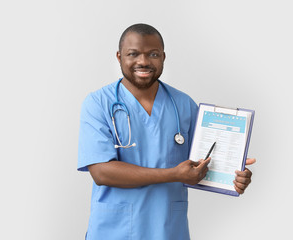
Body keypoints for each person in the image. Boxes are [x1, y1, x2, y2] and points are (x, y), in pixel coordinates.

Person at [77, 23, 255, 240]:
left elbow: (198, 168)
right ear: (119, 56)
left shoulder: (183, 105)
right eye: (133, 54)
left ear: (163, 57)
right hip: (114, 230)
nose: (143, 61)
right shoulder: (98, 103)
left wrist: (232, 173)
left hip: (168, 230)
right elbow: (101, 172)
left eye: (153, 54)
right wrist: (173, 174)